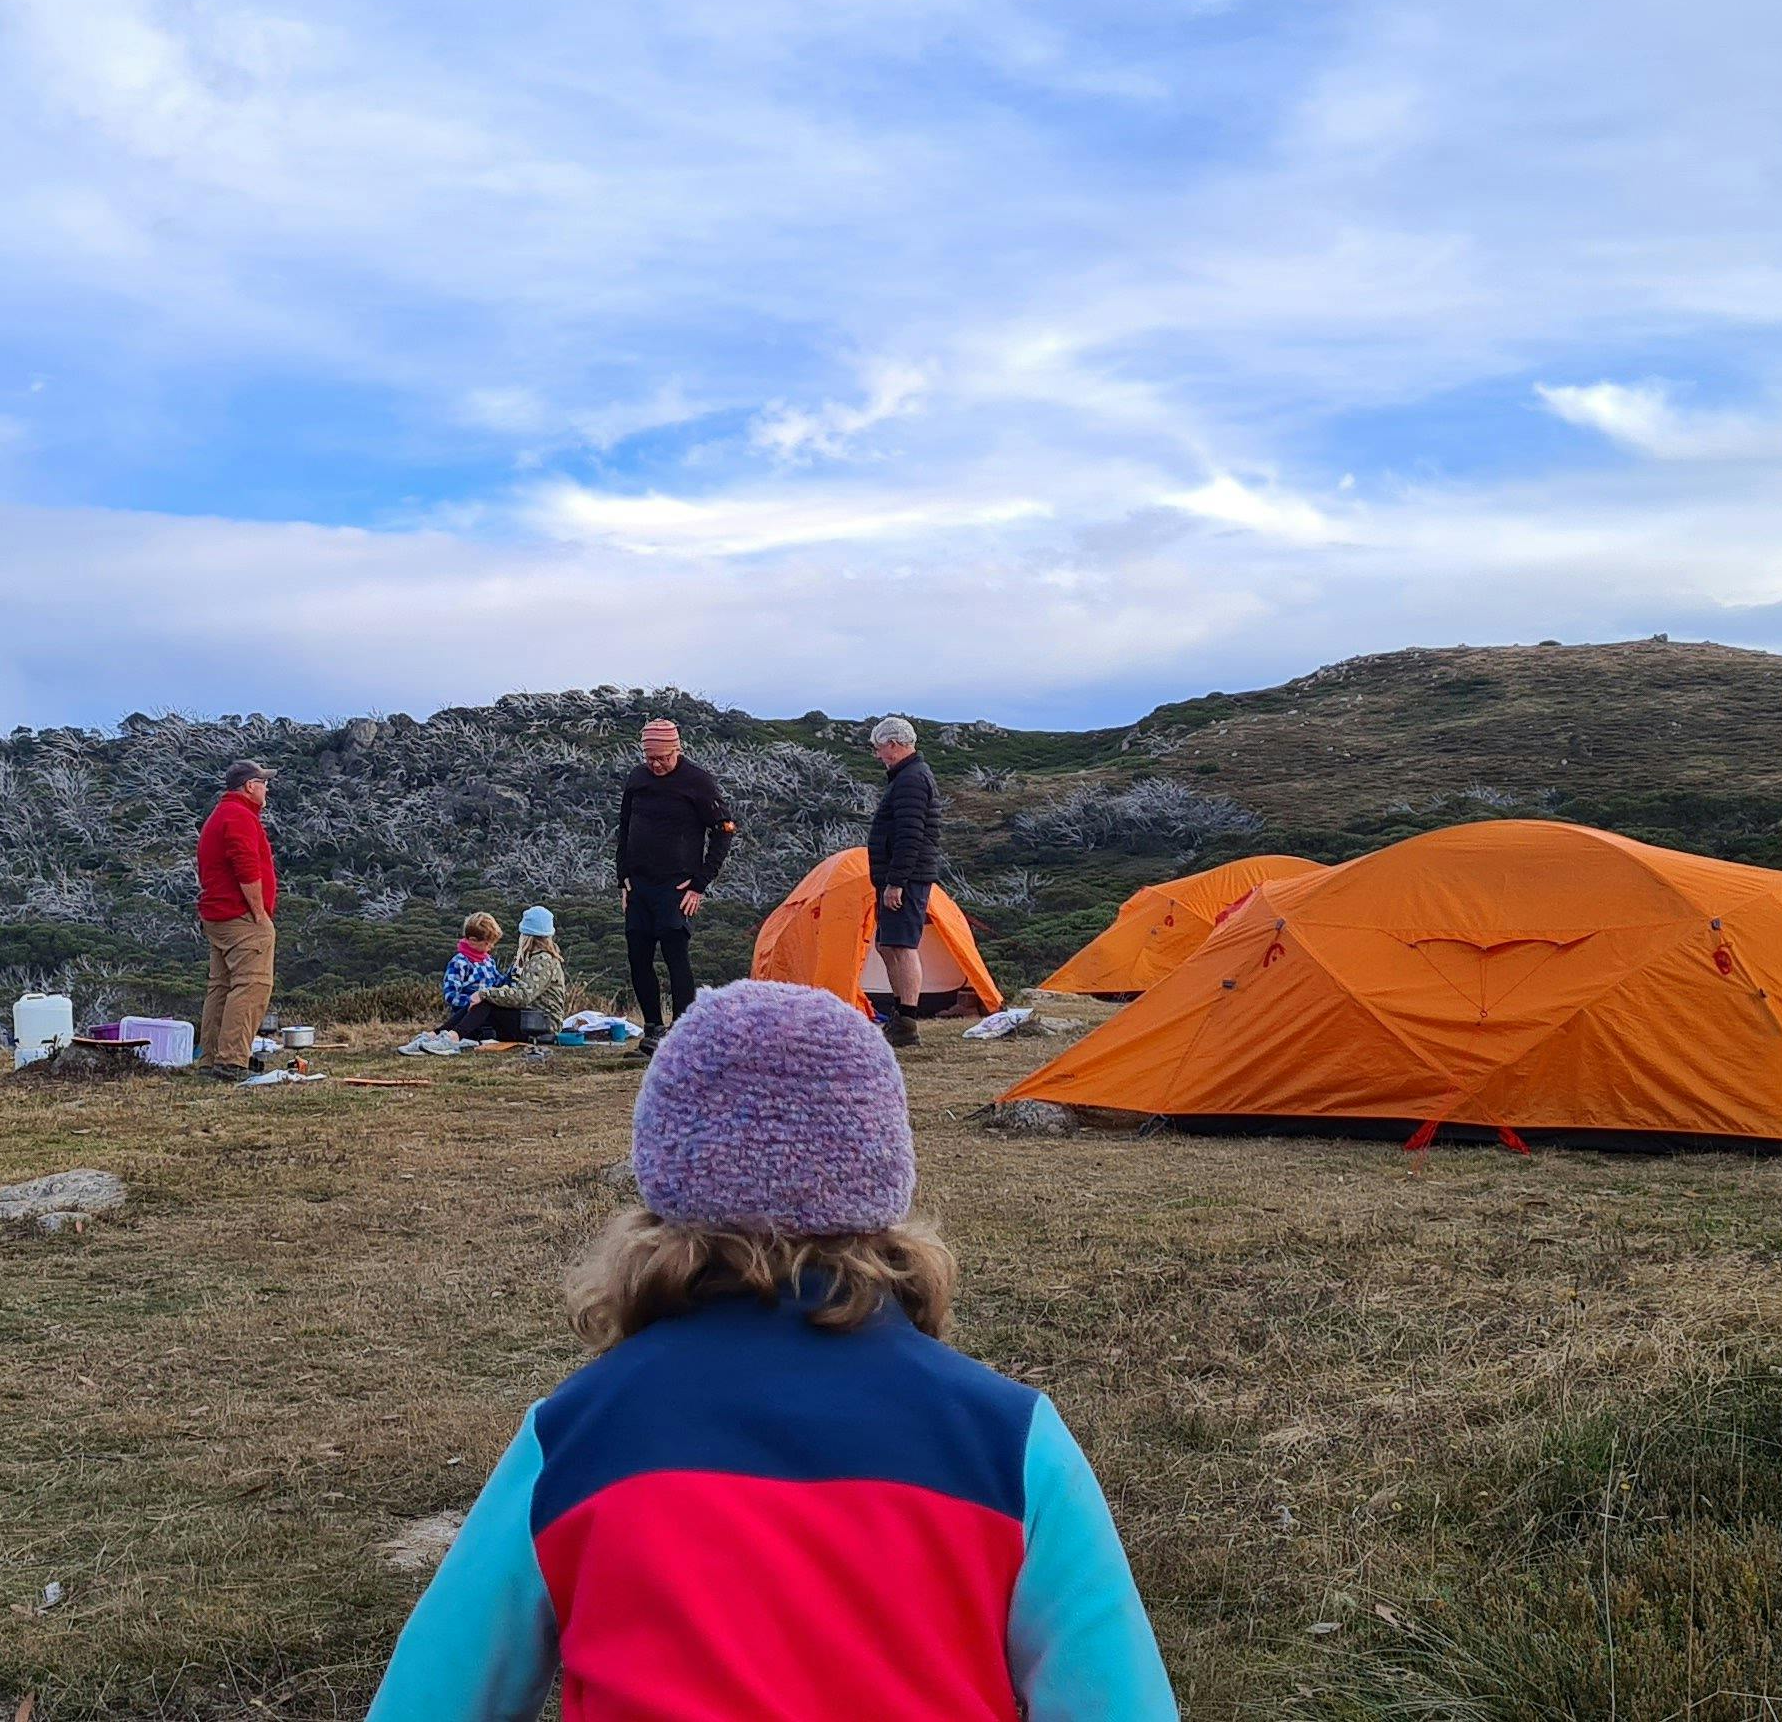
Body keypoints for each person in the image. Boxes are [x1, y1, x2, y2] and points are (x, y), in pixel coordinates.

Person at [363, 979, 1179, 1719]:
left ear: (665, 1180)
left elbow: (430, 1701)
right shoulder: (1014, 1441)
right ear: (883, 1183)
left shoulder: (572, 1438)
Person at [612, 716, 737, 1053]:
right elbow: (624, 827)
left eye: (662, 758)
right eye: (650, 758)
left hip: (677, 887)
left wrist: (700, 884)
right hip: (638, 884)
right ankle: (652, 1027)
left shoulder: (697, 781)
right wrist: (622, 877)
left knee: (674, 954)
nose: (656, 765)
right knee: (638, 956)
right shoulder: (637, 779)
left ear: (676, 750)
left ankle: (683, 1029)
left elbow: (724, 830)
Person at [195, 760, 281, 1073]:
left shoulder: (220, 816)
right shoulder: (240, 817)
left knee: (222, 986)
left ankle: (213, 1058)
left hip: (218, 915)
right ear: (249, 786)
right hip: (240, 917)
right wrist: (259, 914)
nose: (267, 787)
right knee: (252, 984)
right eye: (263, 782)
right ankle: (231, 1060)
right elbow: (246, 868)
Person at [865, 714, 942, 1047]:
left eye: (879, 749)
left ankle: (907, 1022)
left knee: (903, 946)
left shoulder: (911, 779)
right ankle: (900, 1016)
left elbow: (910, 836)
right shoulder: (906, 777)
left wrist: (896, 882)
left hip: (907, 879)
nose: (878, 755)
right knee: (887, 944)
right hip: (898, 877)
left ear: (893, 746)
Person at [455, 906, 573, 1048]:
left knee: (487, 1002)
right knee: (483, 1005)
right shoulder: (537, 958)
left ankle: (451, 1037)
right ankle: (442, 1034)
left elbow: (522, 996)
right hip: (532, 1019)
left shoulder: (542, 960)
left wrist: (485, 993)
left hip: (541, 1025)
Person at [437, 912, 508, 1039]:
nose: (491, 947)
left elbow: (498, 982)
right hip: (466, 1018)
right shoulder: (459, 963)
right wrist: (473, 1001)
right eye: (487, 943)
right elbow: (451, 995)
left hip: (488, 1016)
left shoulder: (488, 961)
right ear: (472, 940)